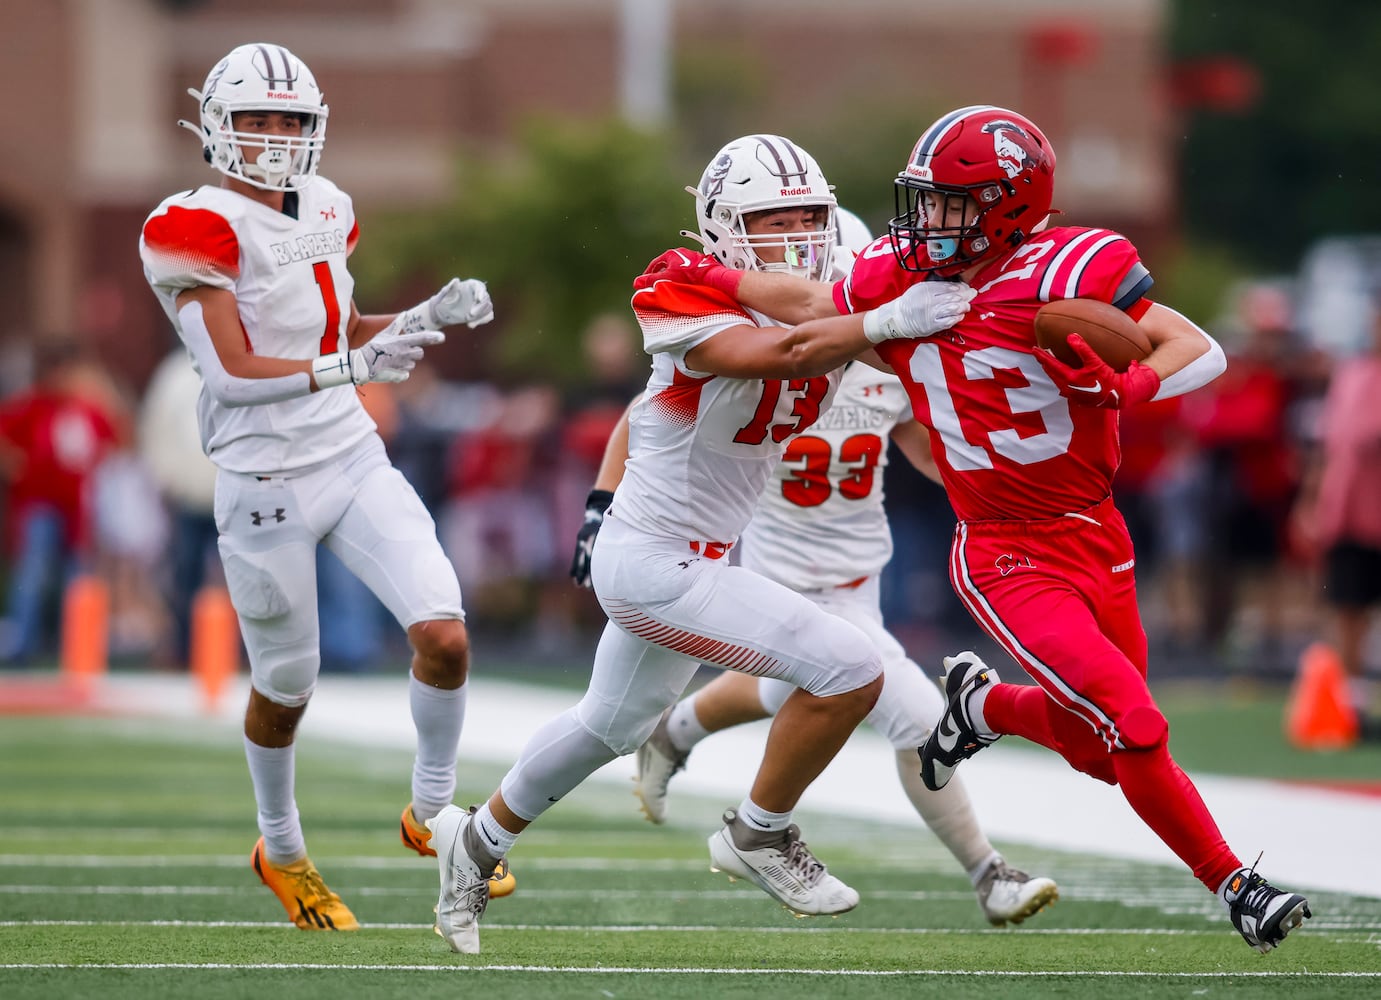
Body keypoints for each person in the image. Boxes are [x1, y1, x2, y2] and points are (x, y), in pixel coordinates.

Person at [646, 106, 1311, 955]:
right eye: (920, 201)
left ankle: (979, 704)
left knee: (1096, 747)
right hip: (1004, 548)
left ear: (1005, 204)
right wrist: (800, 302)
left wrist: (1126, 388)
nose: (923, 222)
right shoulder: (897, 275)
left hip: (1095, 531)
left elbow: (1198, 348)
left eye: (947, 204)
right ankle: (1238, 887)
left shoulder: (1073, 264)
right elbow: (817, 318)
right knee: (1136, 724)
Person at [425, 133, 975, 953]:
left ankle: (473, 845)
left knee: (606, 728)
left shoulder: (833, 289)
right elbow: (785, 349)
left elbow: (848, 312)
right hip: (653, 559)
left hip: (700, 557)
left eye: (807, 214)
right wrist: (887, 317)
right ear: (722, 227)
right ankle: (759, 833)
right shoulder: (676, 288)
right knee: (851, 669)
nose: (794, 233)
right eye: (769, 217)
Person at [137, 42, 510, 932]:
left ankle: (431, 813)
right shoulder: (191, 225)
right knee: (287, 686)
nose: (275, 137)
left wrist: (421, 317)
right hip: (263, 476)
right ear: (214, 128)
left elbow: (339, 327)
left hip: (348, 453)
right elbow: (231, 372)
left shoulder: (328, 206)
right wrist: (353, 362)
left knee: (445, 635)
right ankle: (283, 847)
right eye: (257, 119)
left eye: (290, 120)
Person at [573, 366, 1060, 927]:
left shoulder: (891, 366)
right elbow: (646, 415)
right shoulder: (772, 358)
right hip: (773, 583)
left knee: (791, 696)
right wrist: (598, 508)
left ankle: (674, 732)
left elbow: (932, 454)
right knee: (920, 722)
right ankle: (989, 875)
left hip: (856, 583)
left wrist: (1005, 500)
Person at [0, 337, 121, 664]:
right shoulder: (31, 406)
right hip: (39, 503)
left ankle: (76, 648)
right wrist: (16, 464)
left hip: (78, 507)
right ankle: (22, 644)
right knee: (34, 572)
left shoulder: (87, 408)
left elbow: (116, 438)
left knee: (77, 577)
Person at [1292, 306, 1381, 737]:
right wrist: (1309, 502)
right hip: (1348, 509)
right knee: (1348, 608)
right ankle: (1354, 704)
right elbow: (1326, 446)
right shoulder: (1353, 372)